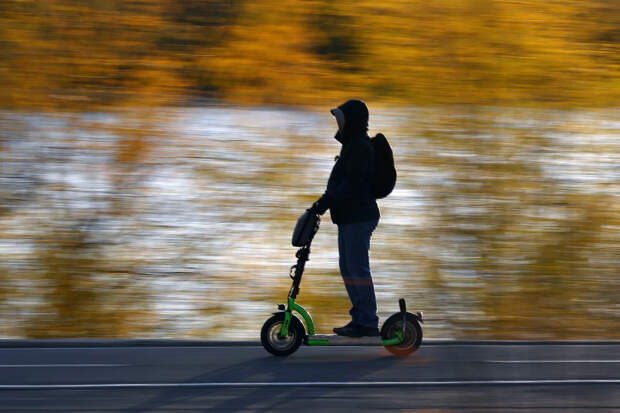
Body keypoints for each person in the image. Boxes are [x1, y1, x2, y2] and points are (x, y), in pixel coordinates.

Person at [309, 99, 381, 337]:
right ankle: (360, 318)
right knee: (348, 267)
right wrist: (323, 203)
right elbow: (343, 185)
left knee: (357, 268)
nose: (338, 124)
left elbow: (350, 185)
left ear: (352, 121)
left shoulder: (359, 147)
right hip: (350, 217)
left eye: (341, 119)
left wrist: (323, 203)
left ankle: (367, 321)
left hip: (359, 217)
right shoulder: (351, 145)